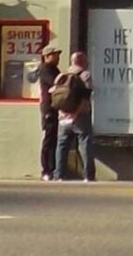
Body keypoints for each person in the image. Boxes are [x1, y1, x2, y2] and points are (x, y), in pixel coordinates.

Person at [50, 50, 96, 183]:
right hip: (80, 116)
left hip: (63, 116)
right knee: (85, 144)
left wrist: (62, 113)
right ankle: (88, 175)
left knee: (61, 145)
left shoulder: (61, 76)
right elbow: (85, 97)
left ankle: (59, 174)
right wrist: (76, 113)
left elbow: (53, 94)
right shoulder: (85, 75)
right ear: (82, 61)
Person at [34, 42, 63, 180]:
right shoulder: (45, 69)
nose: (58, 57)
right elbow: (55, 83)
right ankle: (45, 170)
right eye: (55, 55)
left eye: (58, 55)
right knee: (49, 139)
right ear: (46, 56)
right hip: (48, 109)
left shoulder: (54, 69)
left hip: (55, 108)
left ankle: (53, 168)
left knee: (54, 139)